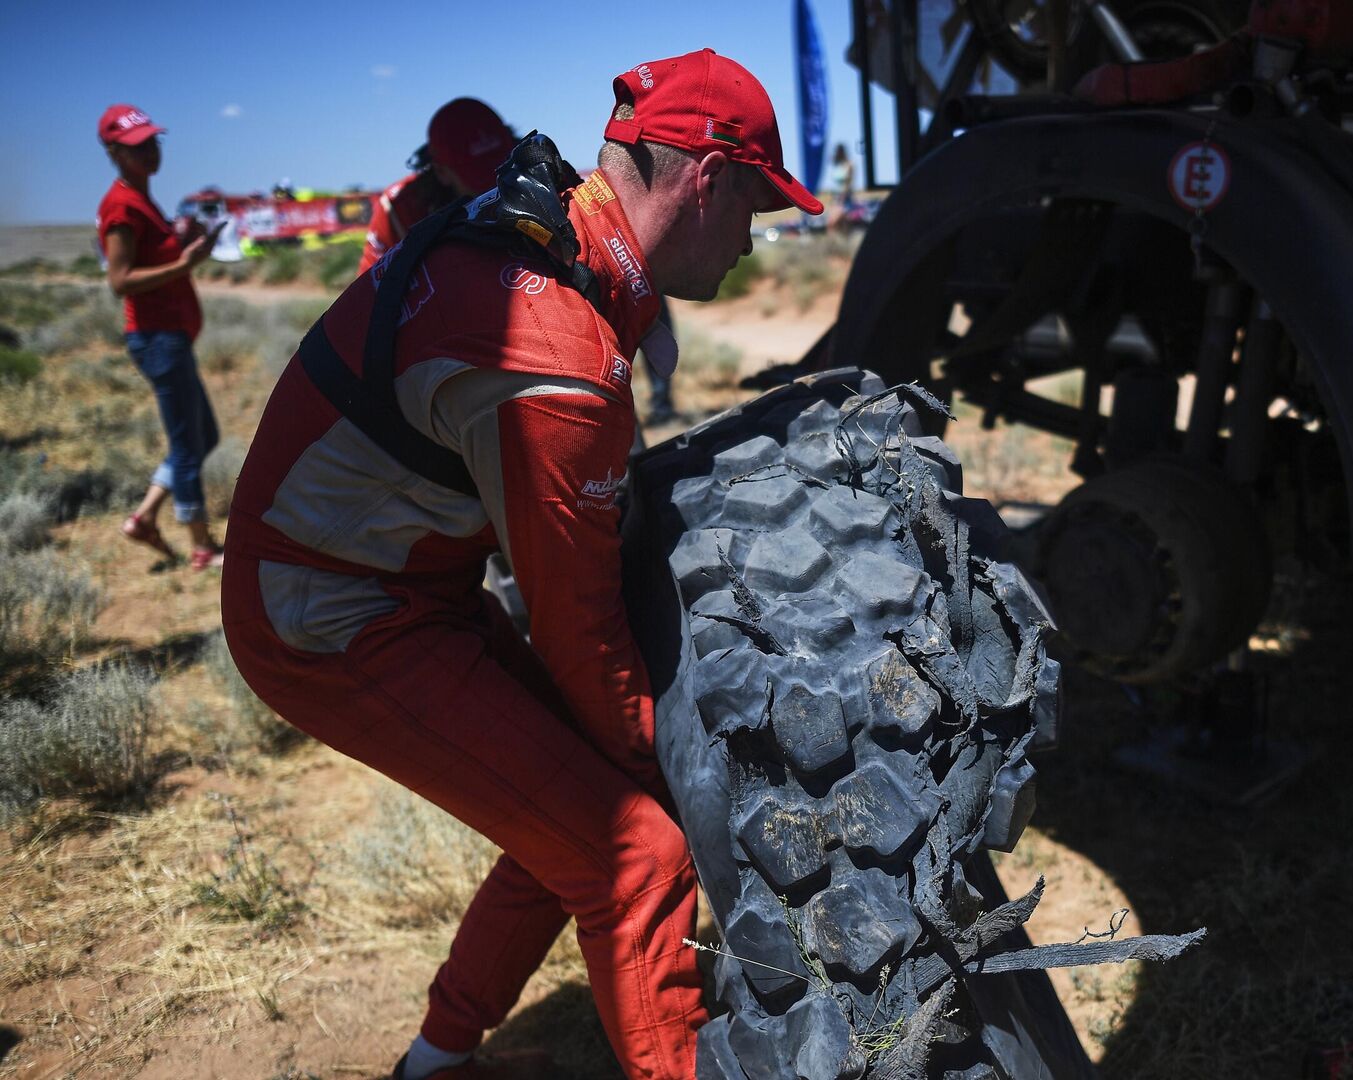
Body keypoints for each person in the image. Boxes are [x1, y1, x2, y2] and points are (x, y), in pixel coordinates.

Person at [221, 48, 821, 1080]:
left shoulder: (552, 237)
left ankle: (437, 1057)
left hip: (394, 578)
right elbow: (580, 634)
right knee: (637, 859)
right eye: (757, 209)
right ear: (707, 179)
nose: (754, 244)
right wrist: (683, 772)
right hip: (326, 612)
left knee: (573, 811)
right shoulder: (554, 354)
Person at [95, 104, 224, 571]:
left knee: (203, 435)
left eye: (152, 141)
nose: (149, 151)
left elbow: (152, 255)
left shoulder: (142, 199)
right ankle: (203, 548)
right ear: (114, 152)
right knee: (189, 446)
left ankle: (145, 518)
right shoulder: (122, 205)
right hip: (158, 340)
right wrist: (185, 263)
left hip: (170, 339)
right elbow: (120, 279)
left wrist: (178, 235)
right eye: (136, 147)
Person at [358, 98, 516, 275]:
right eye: (479, 177)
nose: (495, 190)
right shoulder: (399, 209)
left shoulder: (538, 177)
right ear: (441, 172)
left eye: (505, 167)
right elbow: (368, 294)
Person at [829, 142, 856, 233]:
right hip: (835, 197)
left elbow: (848, 183)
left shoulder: (849, 165)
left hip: (844, 198)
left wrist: (842, 199)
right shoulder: (836, 164)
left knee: (835, 223)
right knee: (839, 225)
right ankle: (836, 244)